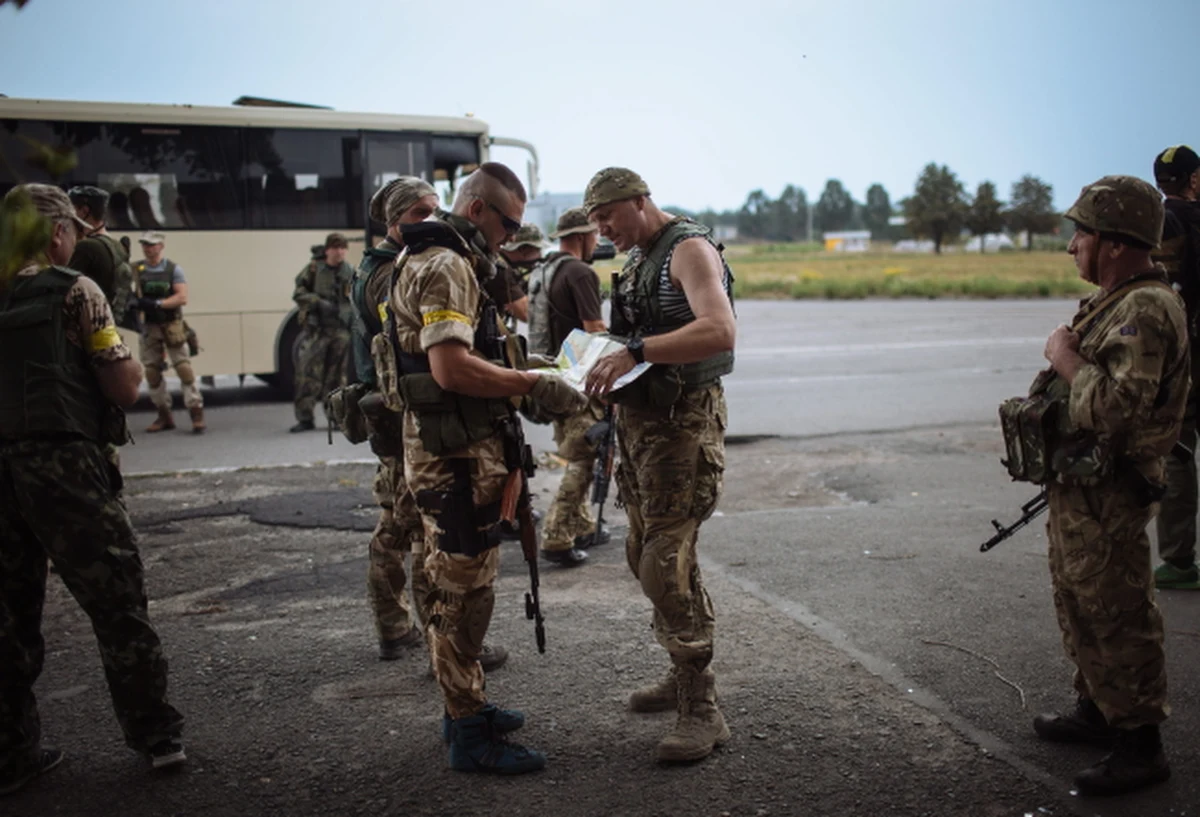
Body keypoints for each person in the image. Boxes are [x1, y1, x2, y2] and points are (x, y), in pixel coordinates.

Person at [375, 162, 585, 773]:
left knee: (463, 586)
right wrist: (532, 385)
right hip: (456, 463)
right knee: (463, 594)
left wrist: (530, 367)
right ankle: (469, 732)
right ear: (476, 210)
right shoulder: (445, 264)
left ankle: (463, 705)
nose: (511, 237)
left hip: (457, 453)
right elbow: (451, 369)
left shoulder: (439, 257)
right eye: (509, 224)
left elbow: (466, 354)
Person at [0, 185, 186, 797]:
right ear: (58, 233)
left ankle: (13, 753)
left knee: (10, 614)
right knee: (116, 603)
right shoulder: (75, 290)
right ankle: (156, 737)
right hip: (64, 468)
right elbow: (123, 388)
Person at [1027, 175, 1186, 796]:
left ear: (1115, 242)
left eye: (1082, 233)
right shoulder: (1117, 300)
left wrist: (1064, 356)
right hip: (1084, 486)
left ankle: (1141, 744)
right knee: (1081, 600)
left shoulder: (1146, 308)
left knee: (1117, 611)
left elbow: (1118, 408)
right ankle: (1098, 709)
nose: (1072, 246)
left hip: (1113, 489)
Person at [582, 168, 736, 764]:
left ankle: (702, 707)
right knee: (644, 553)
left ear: (640, 201)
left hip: (683, 430)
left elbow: (719, 330)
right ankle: (682, 671)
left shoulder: (688, 249)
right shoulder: (641, 256)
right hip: (642, 429)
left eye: (608, 217)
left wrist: (636, 351)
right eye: (595, 222)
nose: (602, 230)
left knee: (664, 562)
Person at [352, 177, 509, 672]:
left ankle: (403, 630)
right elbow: (418, 344)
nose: (431, 222)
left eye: (434, 211)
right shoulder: (388, 272)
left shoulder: (388, 263)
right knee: (420, 535)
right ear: (393, 221)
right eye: (419, 213)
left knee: (399, 528)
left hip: (398, 413)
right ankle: (434, 642)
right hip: (404, 418)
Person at [529, 207, 609, 567]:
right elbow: (595, 330)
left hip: (551, 377)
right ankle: (557, 535)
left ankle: (583, 524)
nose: (597, 240)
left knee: (573, 446)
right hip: (579, 378)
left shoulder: (542, 270)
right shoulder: (580, 272)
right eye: (594, 234)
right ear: (581, 236)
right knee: (584, 456)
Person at [1151, 146, 1200, 589]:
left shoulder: (1167, 222)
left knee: (1178, 450)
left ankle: (1179, 563)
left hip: (1186, 354)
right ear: (1194, 179)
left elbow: (1165, 293)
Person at [134, 232, 205, 433]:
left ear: (161, 246)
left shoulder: (173, 269)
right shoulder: (137, 270)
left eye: (151, 245)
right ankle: (164, 414)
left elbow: (182, 297)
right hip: (149, 327)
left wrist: (157, 304)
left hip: (171, 325)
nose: (148, 248)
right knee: (151, 371)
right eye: (145, 245)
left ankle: (196, 412)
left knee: (183, 368)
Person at [291, 233, 354, 433]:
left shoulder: (350, 272)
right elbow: (298, 293)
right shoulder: (314, 269)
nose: (339, 252)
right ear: (327, 250)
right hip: (317, 331)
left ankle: (336, 418)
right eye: (335, 248)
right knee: (307, 374)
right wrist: (317, 302)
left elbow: (357, 298)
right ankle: (305, 418)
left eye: (343, 248)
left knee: (336, 378)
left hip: (340, 331)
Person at [66, 185, 136, 328]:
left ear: (84, 211)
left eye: (72, 211)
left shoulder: (87, 247)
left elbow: (65, 289)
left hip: (86, 329)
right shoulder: (117, 245)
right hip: (107, 326)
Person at [492, 223, 544, 323]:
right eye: (537, 250)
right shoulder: (501, 270)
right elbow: (527, 313)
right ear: (524, 249)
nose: (540, 255)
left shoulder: (500, 263)